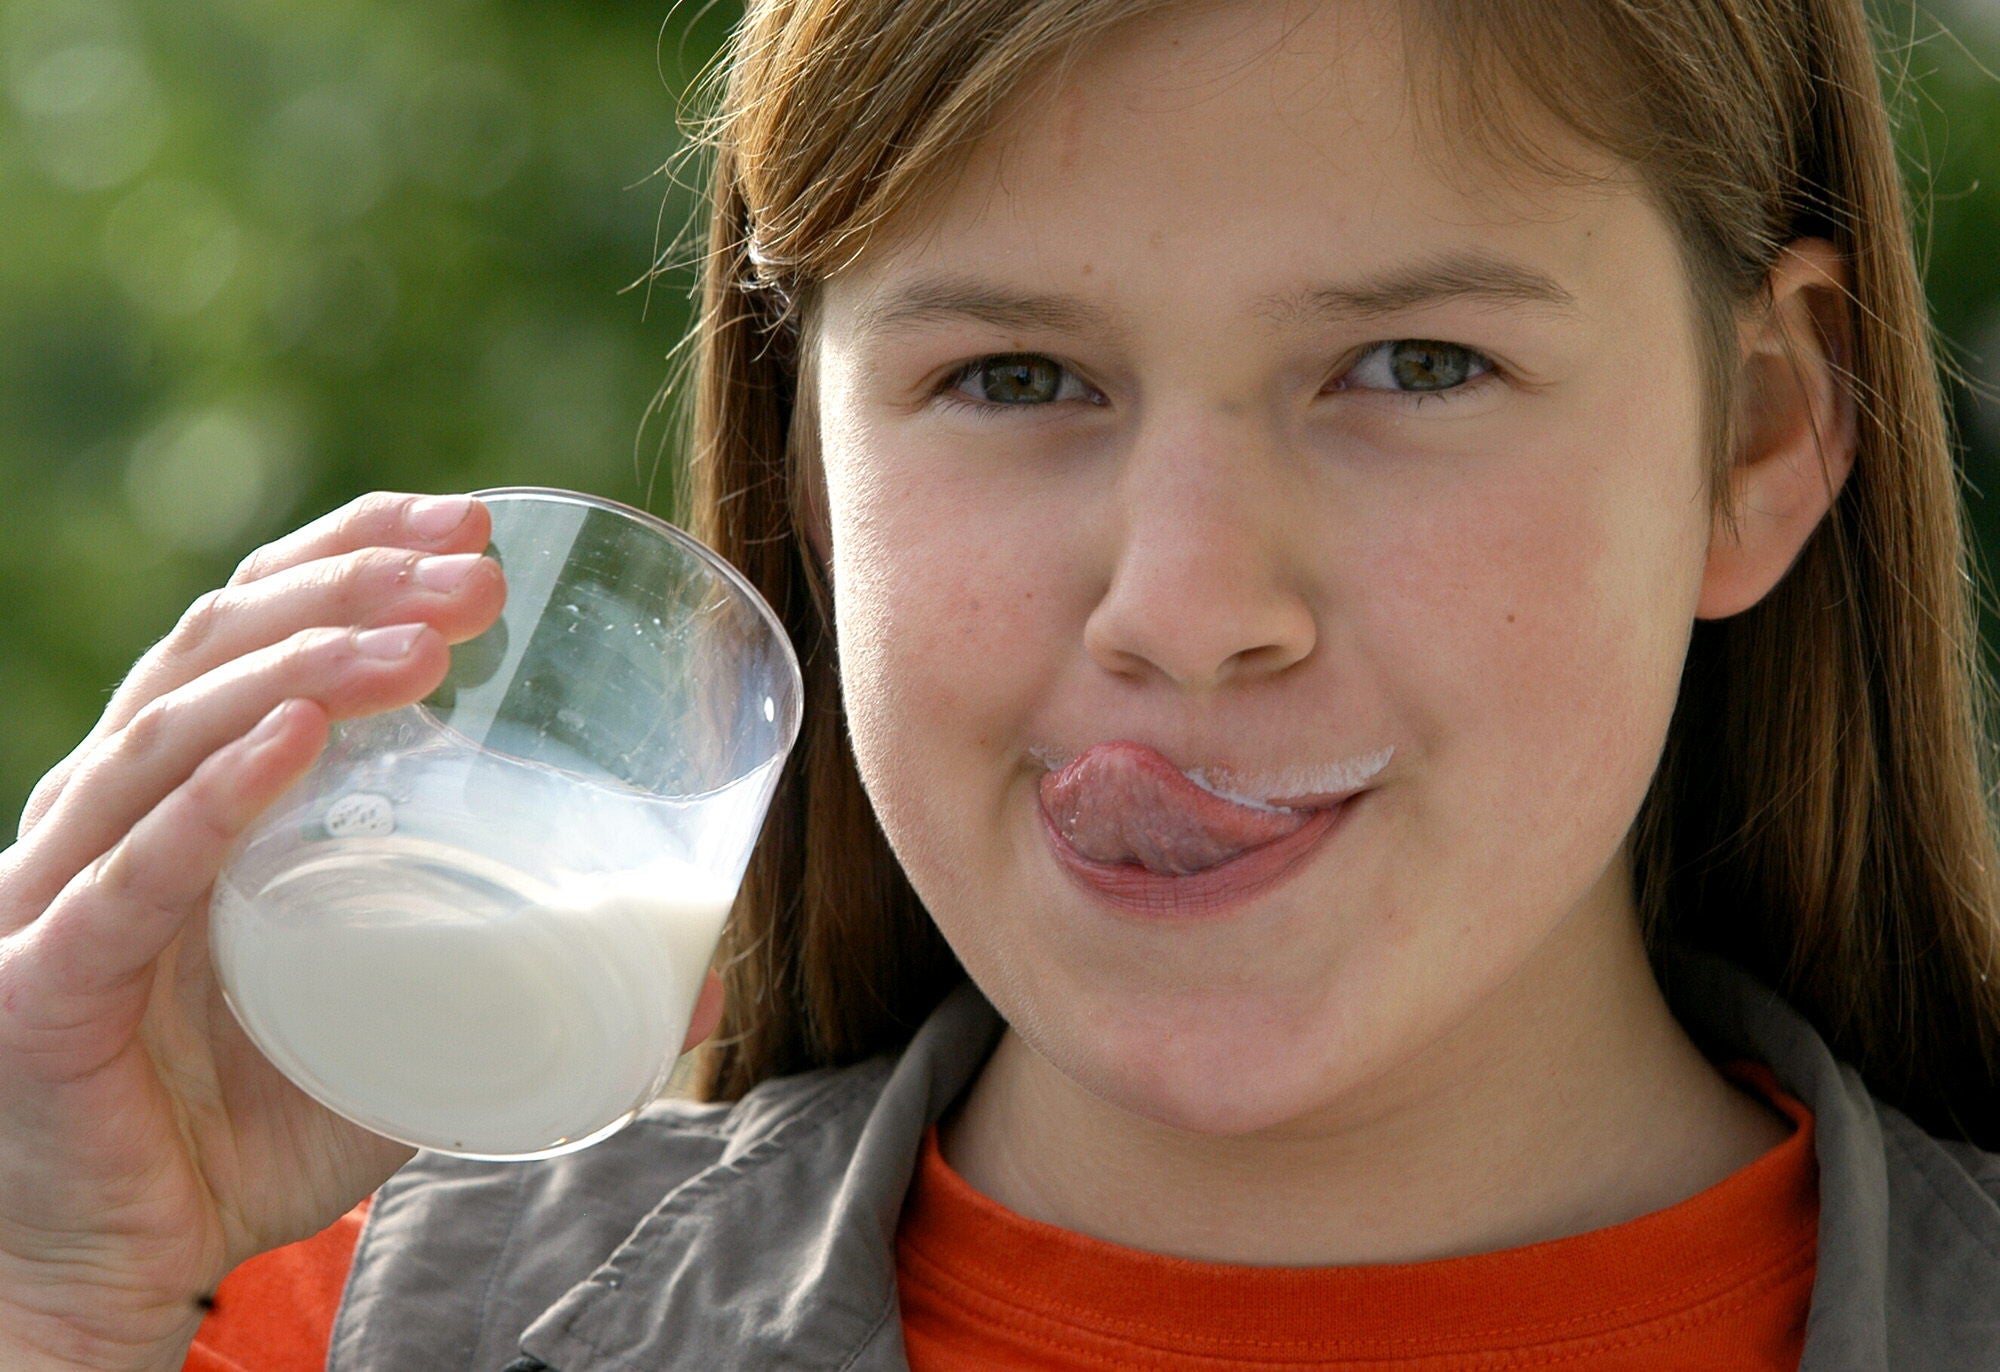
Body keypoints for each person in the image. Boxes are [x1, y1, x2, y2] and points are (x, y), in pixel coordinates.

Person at [3, 0, 1998, 1366]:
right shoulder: (301, 1327)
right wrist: (54, 1283)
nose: (1190, 602)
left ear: (1755, 434)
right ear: (807, 464)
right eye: (1016, 379)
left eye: (1411, 367)